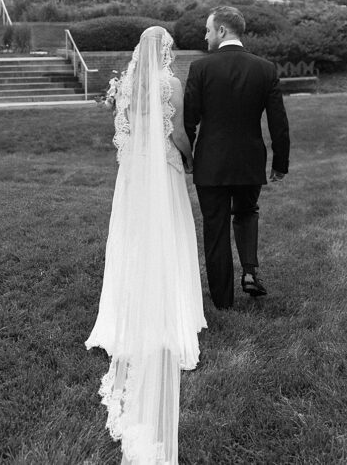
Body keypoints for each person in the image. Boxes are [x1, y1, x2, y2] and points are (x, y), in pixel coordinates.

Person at [85, 26, 207, 464]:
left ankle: (121, 313)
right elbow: (174, 133)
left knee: (132, 238)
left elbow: (127, 129)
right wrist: (191, 158)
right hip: (164, 170)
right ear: (166, 51)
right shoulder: (169, 83)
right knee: (169, 234)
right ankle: (173, 313)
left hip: (133, 173)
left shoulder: (125, 83)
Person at [183, 6, 290, 310]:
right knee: (246, 211)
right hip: (249, 160)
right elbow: (278, 122)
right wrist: (280, 162)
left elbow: (189, 119)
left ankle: (222, 300)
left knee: (215, 227)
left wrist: (186, 157)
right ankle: (249, 272)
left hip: (211, 162)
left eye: (207, 29)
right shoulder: (265, 68)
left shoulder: (201, 68)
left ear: (221, 31)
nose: (205, 35)